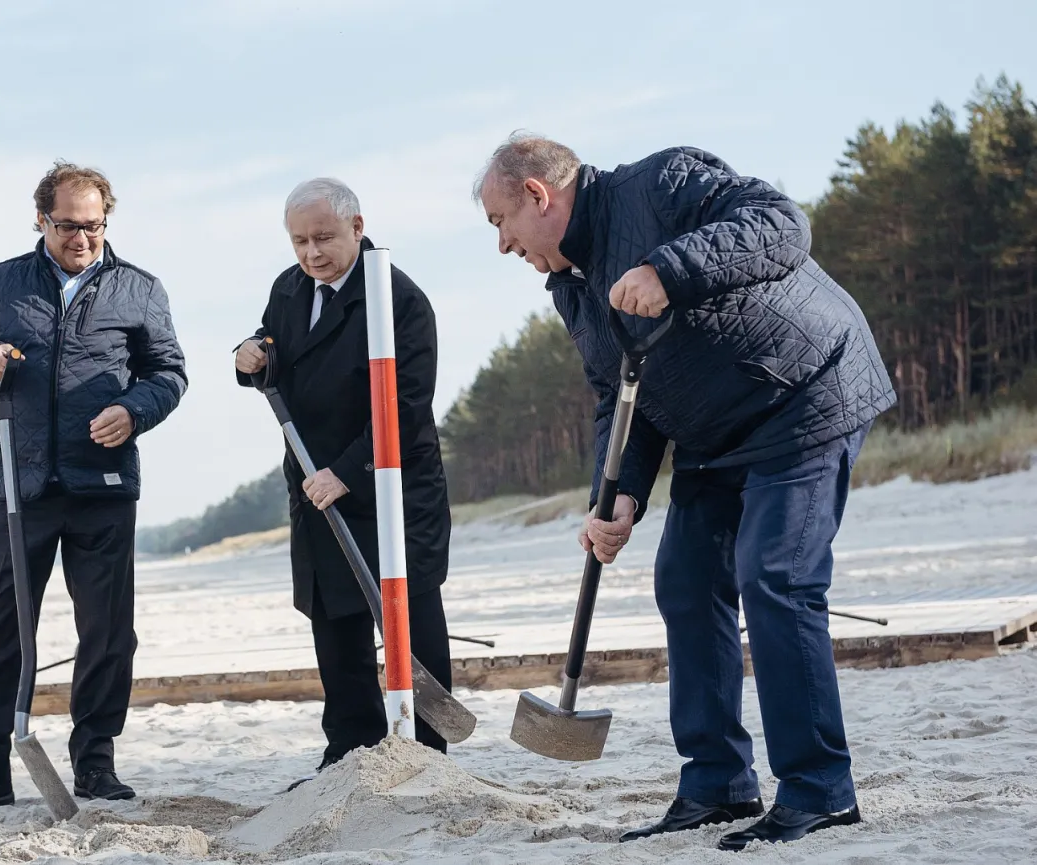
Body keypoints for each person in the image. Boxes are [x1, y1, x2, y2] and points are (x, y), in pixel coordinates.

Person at [473, 134, 895, 851]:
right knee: (685, 579)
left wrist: (668, 269)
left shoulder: (659, 183)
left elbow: (780, 223)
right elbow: (620, 390)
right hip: (712, 435)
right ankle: (717, 782)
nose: (503, 245)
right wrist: (623, 492)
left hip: (803, 395)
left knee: (774, 574)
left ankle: (820, 788)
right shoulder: (570, 287)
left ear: (537, 195)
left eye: (500, 224)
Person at [0, 160, 187, 821]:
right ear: (41, 219)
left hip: (105, 488)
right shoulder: (1, 282)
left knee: (108, 635)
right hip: (19, 485)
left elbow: (169, 373)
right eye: (69, 226)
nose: (83, 240)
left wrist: (136, 409)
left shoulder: (139, 289)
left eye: (94, 226)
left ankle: (95, 765)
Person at [234, 178, 455, 788]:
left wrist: (349, 472)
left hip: (389, 483)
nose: (312, 253)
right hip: (311, 480)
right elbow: (274, 350)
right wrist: (248, 353)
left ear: (357, 227)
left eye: (324, 238)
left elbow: (406, 406)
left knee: (409, 617)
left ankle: (428, 754)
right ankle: (349, 753)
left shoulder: (398, 298)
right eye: (300, 241)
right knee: (334, 622)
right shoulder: (288, 287)